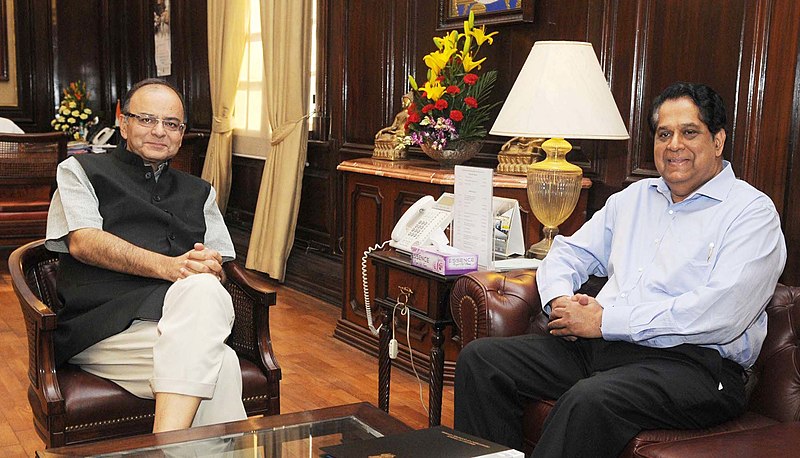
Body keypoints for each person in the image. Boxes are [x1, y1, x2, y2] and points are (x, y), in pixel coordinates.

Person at [453, 82, 787, 457]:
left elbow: (722, 314)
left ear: (718, 140)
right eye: (664, 134)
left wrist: (606, 321)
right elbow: (567, 252)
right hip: (604, 347)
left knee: (589, 400)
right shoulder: (633, 199)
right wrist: (562, 301)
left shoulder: (751, 213)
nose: (675, 144)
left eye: (689, 132)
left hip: (697, 367)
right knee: (482, 361)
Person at [45, 78, 246, 432]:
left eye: (171, 124)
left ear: (182, 134)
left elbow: (223, 265)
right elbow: (83, 242)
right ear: (123, 123)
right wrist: (173, 267)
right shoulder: (79, 171)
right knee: (219, 361)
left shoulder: (201, 191)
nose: (159, 131)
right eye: (146, 119)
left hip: (182, 325)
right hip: (102, 329)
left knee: (209, 302)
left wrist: (209, 268)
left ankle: (163, 448)